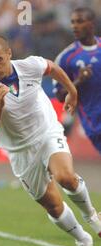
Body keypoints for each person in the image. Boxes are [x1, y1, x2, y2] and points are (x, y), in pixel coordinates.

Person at [0, 35, 101, 246]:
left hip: (46, 132)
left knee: (66, 177)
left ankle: (91, 215)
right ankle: (83, 239)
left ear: (10, 54)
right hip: (20, 151)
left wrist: (72, 90)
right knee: (53, 205)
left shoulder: (30, 66)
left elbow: (52, 68)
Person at [54, 7, 101, 154]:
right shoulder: (66, 58)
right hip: (94, 123)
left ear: (91, 24)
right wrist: (78, 81)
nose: (74, 25)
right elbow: (60, 96)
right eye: (73, 22)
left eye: (79, 21)